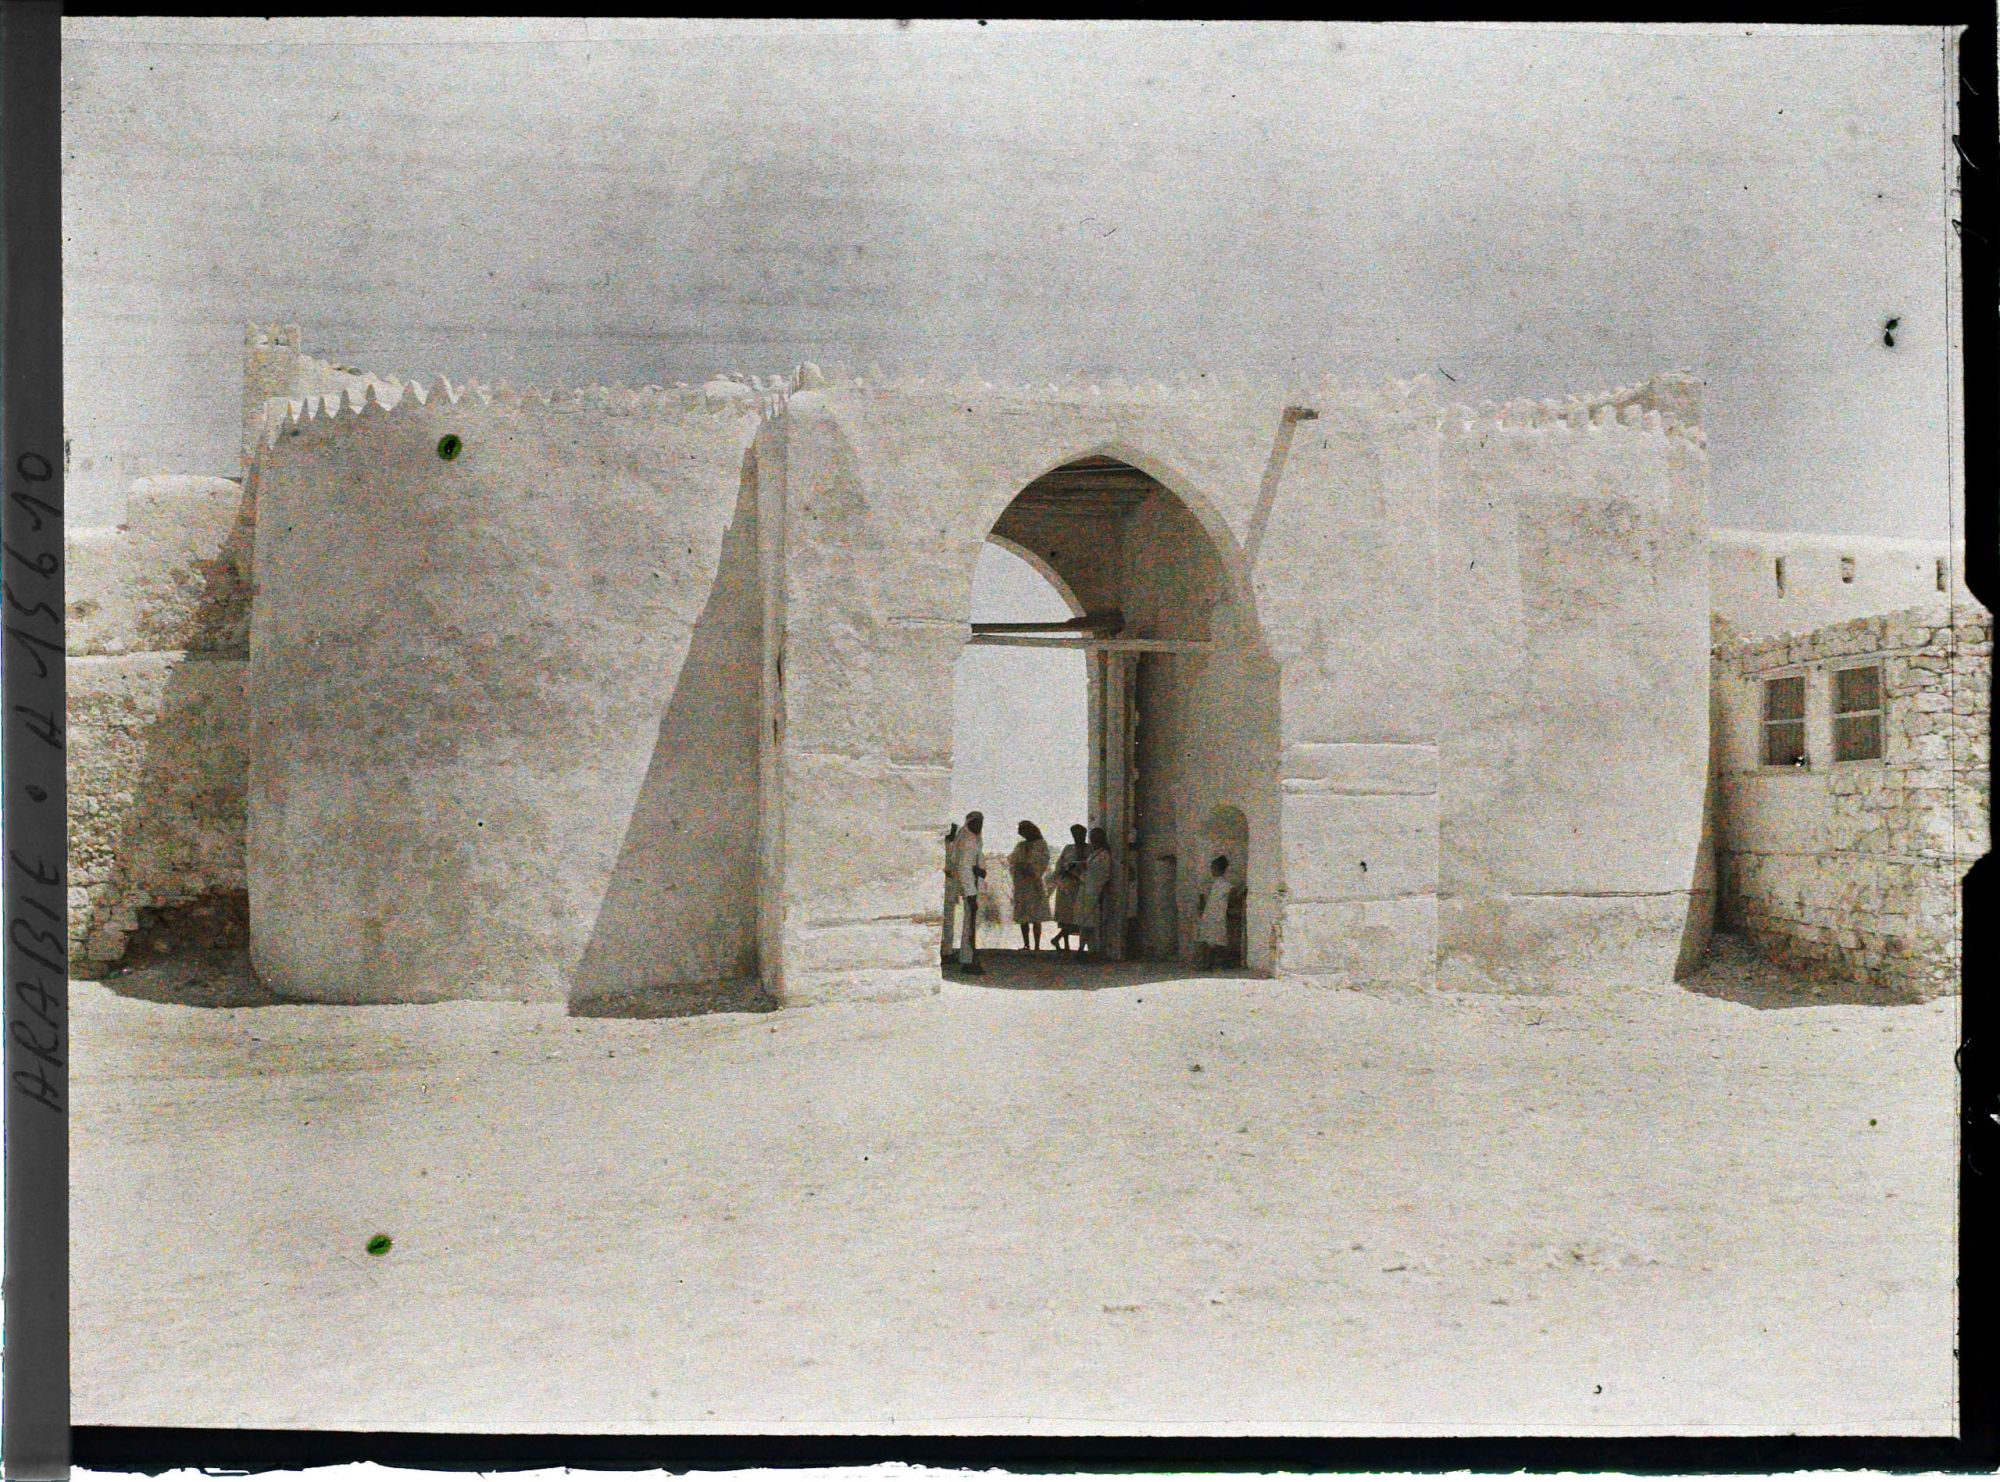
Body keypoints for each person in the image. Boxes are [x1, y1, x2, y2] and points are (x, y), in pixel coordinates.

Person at [945, 810, 987, 971]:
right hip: (970, 888)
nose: (979, 826)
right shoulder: (967, 840)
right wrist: (970, 893)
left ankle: (967, 957)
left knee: (971, 924)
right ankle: (968, 961)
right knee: (969, 925)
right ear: (969, 822)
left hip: (974, 885)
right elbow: (964, 868)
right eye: (976, 822)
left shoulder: (974, 838)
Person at [1009, 821, 1053, 952]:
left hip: (1034, 883)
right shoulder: (1020, 845)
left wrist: (1032, 868)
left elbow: (1043, 861)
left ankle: (1037, 945)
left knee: (1036, 915)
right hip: (1022, 883)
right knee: (1024, 915)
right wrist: (1019, 867)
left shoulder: (1041, 844)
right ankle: (1026, 944)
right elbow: (1013, 861)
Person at [1074, 825, 1114, 960]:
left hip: (1093, 890)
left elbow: (1101, 874)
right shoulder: (1094, 854)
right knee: (1084, 920)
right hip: (1086, 889)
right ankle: (1084, 948)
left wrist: (1083, 872)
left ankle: (1092, 949)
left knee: (1090, 921)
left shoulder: (1104, 855)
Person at [1048, 823, 1087, 953]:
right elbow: (1060, 865)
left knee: (1078, 916)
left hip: (1080, 886)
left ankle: (1063, 940)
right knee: (1065, 916)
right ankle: (1065, 944)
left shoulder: (1089, 849)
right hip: (1067, 885)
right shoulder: (1068, 849)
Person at [1195, 854, 1234, 970]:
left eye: (1213, 868)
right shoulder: (1215, 884)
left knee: (1216, 940)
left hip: (1217, 915)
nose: (1211, 871)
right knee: (1209, 939)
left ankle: (1215, 964)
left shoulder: (1225, 885)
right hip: (1211, 914)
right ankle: (1208, 964)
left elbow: (1231, 897)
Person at [939, 822, 961, 966]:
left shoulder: (940, 847)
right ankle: (946, 951)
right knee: (948, 921)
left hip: (941, 885)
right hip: (949, 885)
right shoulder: (953, 849)